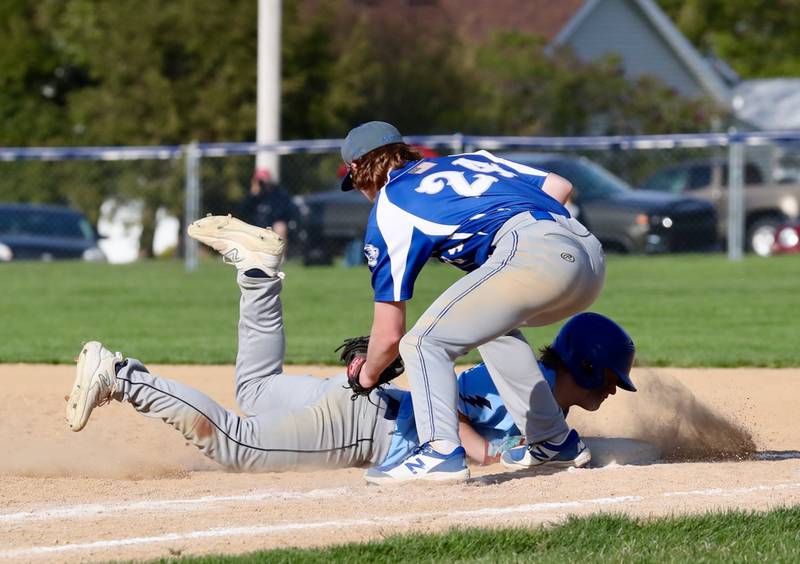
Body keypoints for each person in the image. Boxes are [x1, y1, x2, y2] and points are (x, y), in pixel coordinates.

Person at [64, 215, 634, 480]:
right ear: (585, 366)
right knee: (237, 446)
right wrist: (479, 453)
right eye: (610, 377)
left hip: (356, 401)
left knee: (254, 390)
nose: (613, 389)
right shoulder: (522, 386)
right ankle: (122, 376)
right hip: (363, 428)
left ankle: (259, 275)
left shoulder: (543, 405)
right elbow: (451, 404)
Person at [339, 121, 606, 482]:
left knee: (421, 342)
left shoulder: (391, 203)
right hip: (587, 256)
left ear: (358, 170)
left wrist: (367, 375)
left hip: (534, 255)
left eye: (354, 181)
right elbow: (559, 186)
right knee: (491, 328)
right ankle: (553, 440)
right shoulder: (467, 160)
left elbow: (389, 336)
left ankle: (439, 451)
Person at [238, 168, 294, 243]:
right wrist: (252, 195)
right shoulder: (253, 196)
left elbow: (282, 213)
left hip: (272, 226)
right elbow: (242, 212)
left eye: (263, 182)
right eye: (259, 181)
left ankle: (280, 254)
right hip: (255, 227)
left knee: (280, 227)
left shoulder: (279, 194)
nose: (262, 184)